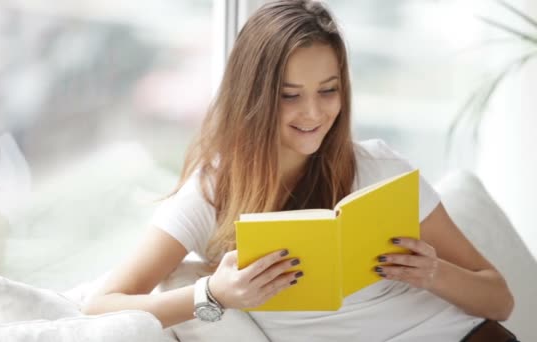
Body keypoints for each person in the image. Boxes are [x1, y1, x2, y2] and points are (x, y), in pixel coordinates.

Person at [83, 1, 515, 340]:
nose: (313, 113)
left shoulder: (380, 168)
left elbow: (499, 299)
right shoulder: (213, 193)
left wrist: (434, 274)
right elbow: (99, 306)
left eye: (328, 91)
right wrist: (212, 294)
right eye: (290, 95)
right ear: (253, 95)